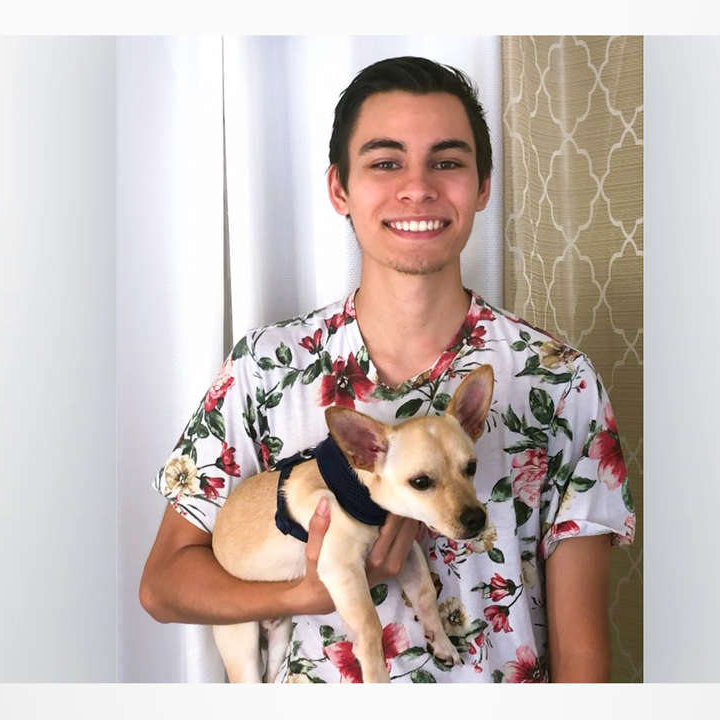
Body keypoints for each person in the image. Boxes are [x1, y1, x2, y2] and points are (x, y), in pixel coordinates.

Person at [139, 56, 635, 683]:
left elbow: (582, 653)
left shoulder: (560, 382)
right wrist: (304, 593)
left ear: (484, 186)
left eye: (447, 162)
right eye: (385, 162)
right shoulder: (264, 368)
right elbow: (163, 585)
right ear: (339, 189)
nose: (418, 187)